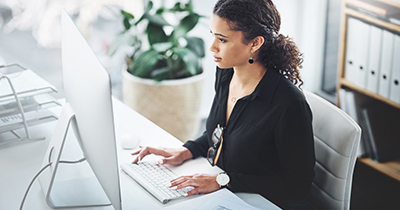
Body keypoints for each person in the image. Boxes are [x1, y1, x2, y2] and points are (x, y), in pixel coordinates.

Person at [131, 0, 315, 209]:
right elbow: (223, 132)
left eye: (223, 39)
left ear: (255, 43)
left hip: (262, 202)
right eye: (213, 35)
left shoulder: (288, 104)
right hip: (225, 194)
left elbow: (297, 186)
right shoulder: (226, 73)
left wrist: (223, 181)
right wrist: (187, 151)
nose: (212, 47)